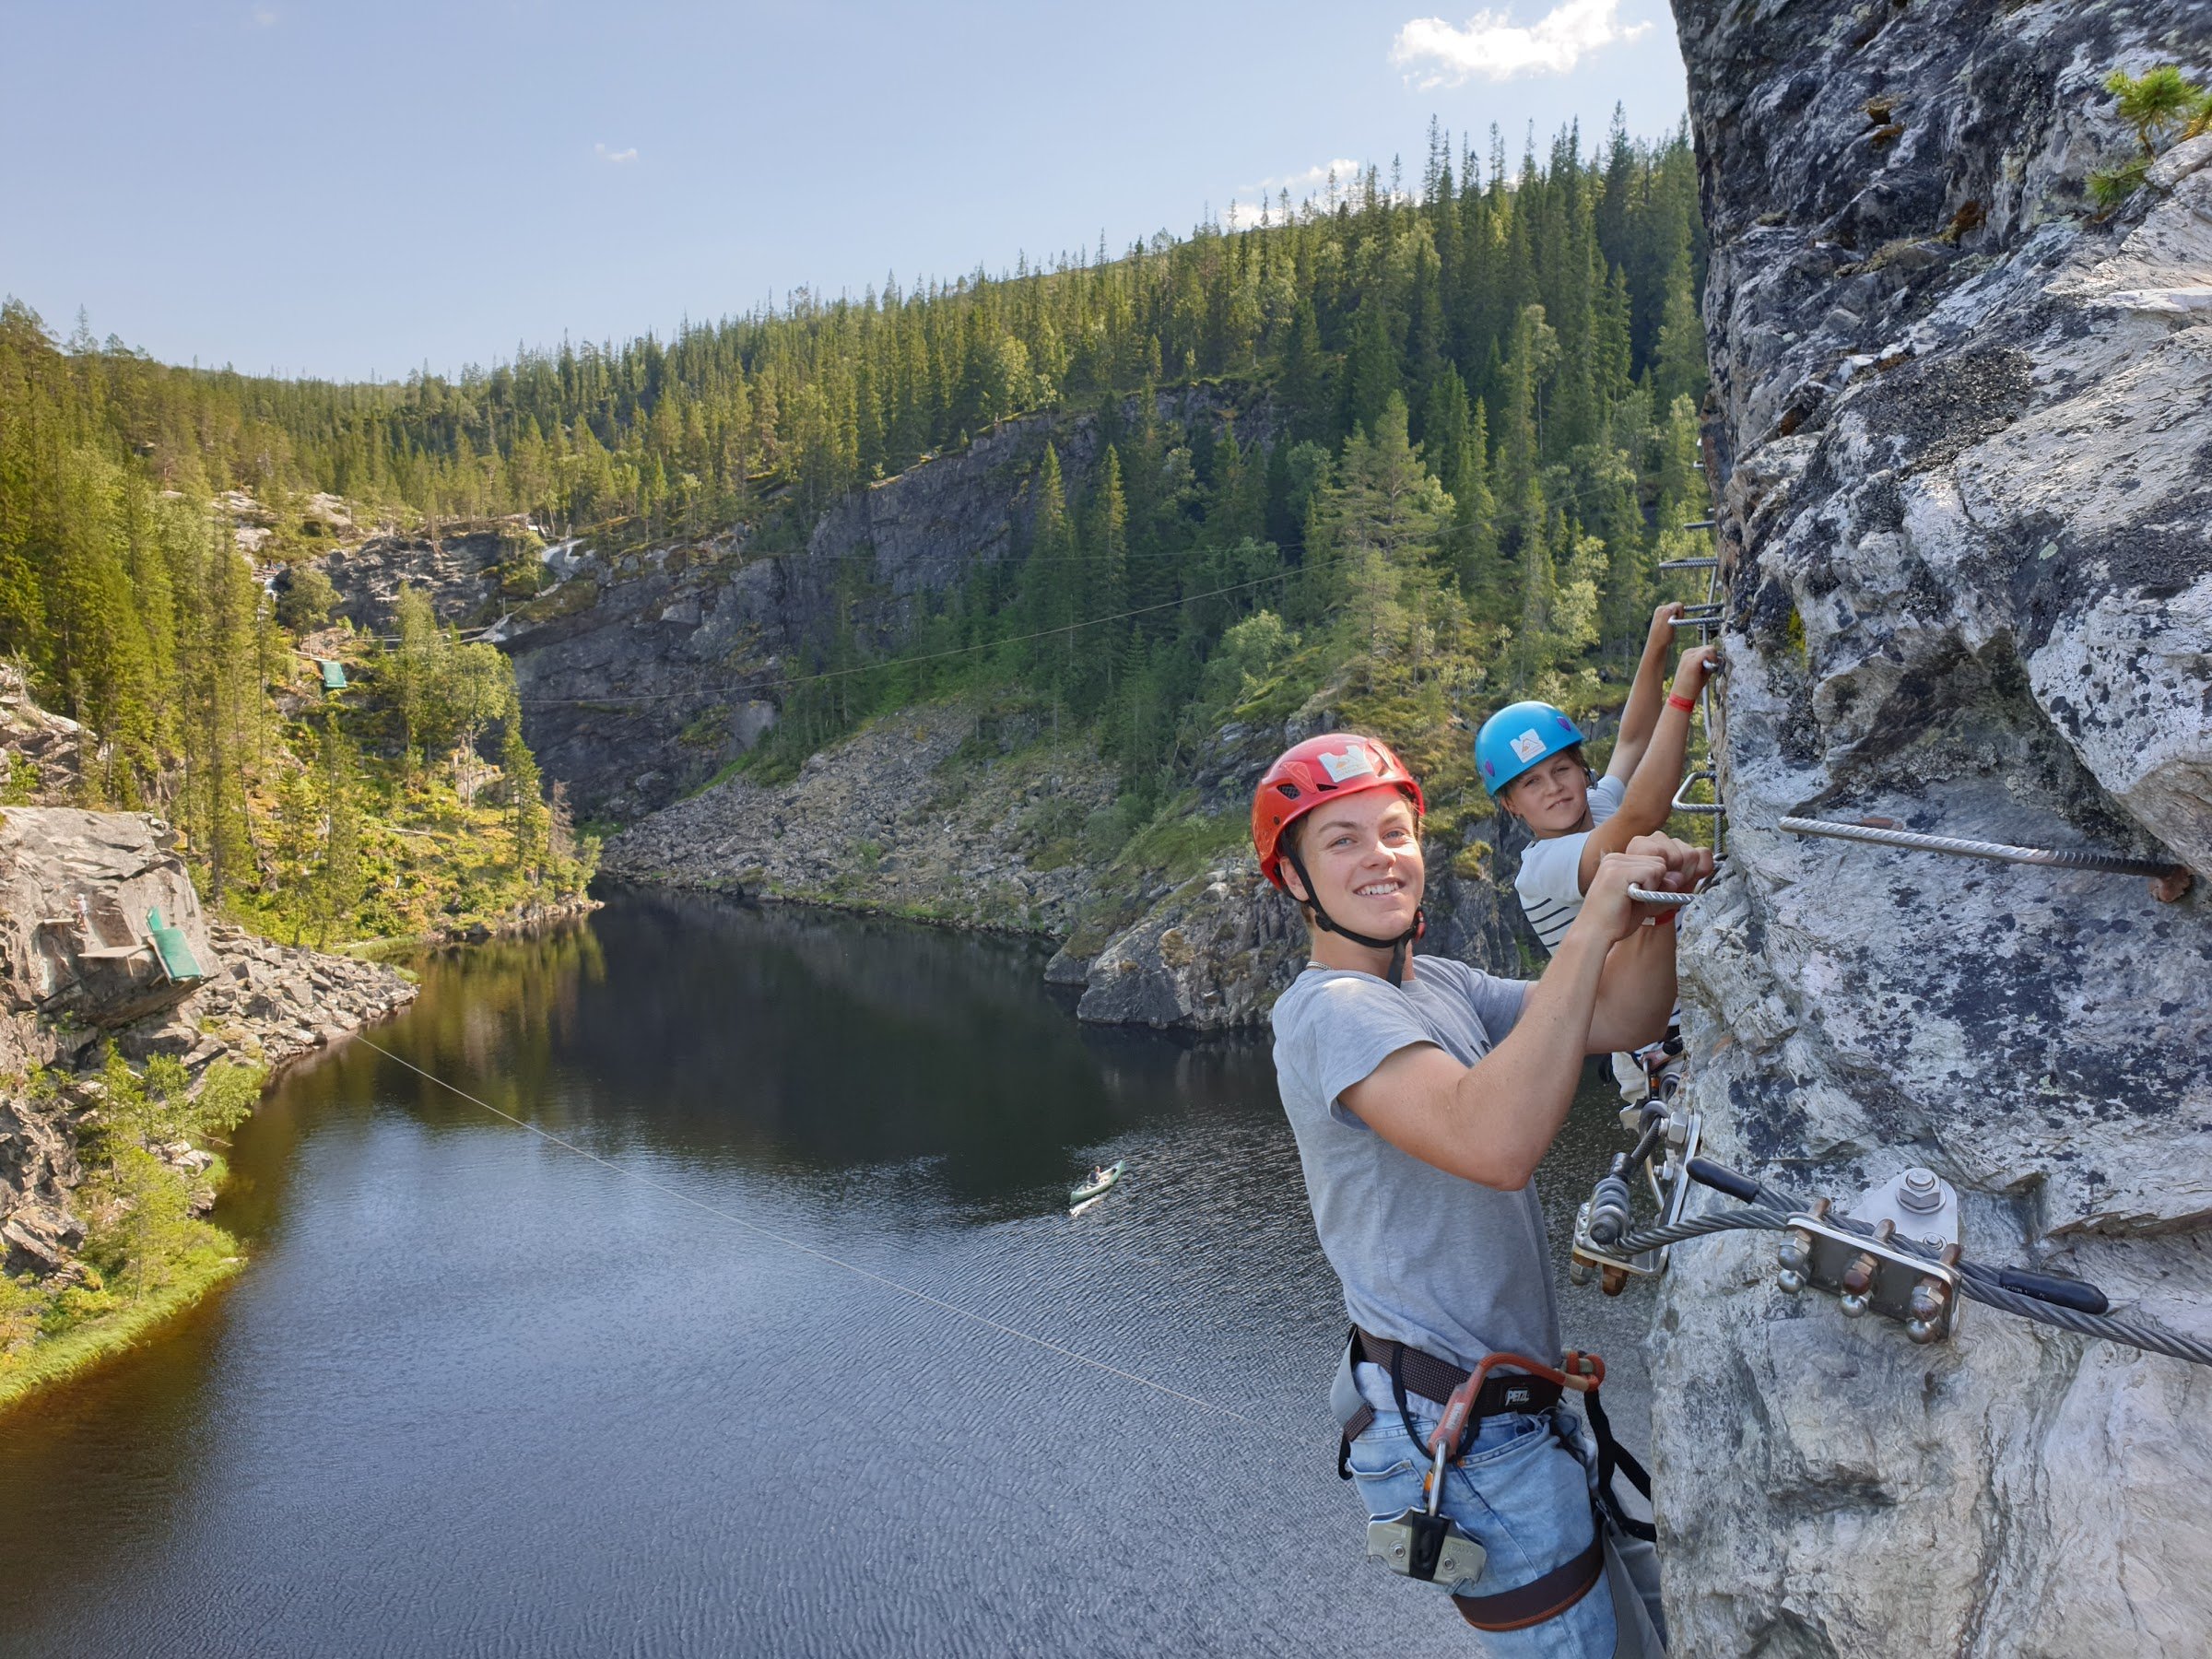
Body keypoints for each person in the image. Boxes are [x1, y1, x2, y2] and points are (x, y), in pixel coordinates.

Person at [1257, 732, 1705, 1653]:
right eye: (1342, 841)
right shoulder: (1330, 1013)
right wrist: (1594, 922)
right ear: (1294, 879)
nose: (1380, 857)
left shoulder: (1442, 986)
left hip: (1500, 1416)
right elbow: (1494, 1143)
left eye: (1394, 833)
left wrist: (1651, 916)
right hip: (1462, 1434)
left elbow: (1622, 1013)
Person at [1480, 611, 1718, 1099]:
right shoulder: (1542, 869)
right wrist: (1682, 696)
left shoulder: (1600, 804)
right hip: (1661, 1047)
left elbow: (1633, 739)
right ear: (1511, 804)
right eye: (1531, 782)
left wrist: (1656, 645)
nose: (1554, 788)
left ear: (1580, 768)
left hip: (1697, 1005)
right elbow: (1642, 814)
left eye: (1561, 769)